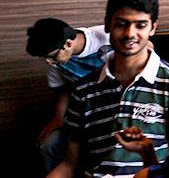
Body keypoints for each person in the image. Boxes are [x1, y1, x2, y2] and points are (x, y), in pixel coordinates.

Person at [47, 0, 169, 178]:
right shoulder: (84, 90)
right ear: (107, 24)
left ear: (153, 28)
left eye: (140, 25)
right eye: (121, 24)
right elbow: (70, 165)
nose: (130, 34)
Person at [26, 18, 112, 173]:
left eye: (52, 57)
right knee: (49, 145)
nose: (49, 62)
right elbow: (63, 90)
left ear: (68, 44)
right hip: (82, 114)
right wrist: (57, 118)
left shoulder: (106, 37)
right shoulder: (55, 61)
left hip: (113, 111)